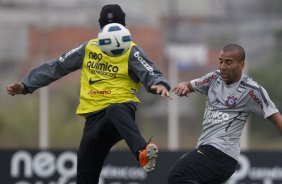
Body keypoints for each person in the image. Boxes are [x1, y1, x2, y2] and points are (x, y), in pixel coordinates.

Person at [6, 4, 171, 184]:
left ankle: (142, 153)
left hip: (121, 112)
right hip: (93, 120)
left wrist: (158, 83)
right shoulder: (88, 48)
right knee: (85, 177)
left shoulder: (131, 50)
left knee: (114, 110)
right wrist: (26, 85)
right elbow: (57, 66)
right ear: (101, 28)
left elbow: (149, 71)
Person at [169, 43, 282, 184]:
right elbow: (189, 85)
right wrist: (183, 86)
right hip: (211, 152)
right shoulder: (213, 78)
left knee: (179, 175)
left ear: (241, 65)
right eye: (221, 61)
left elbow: (277, 118)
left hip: (220, 153)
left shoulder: (252, 91)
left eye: (228, 62)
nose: (222, 66)